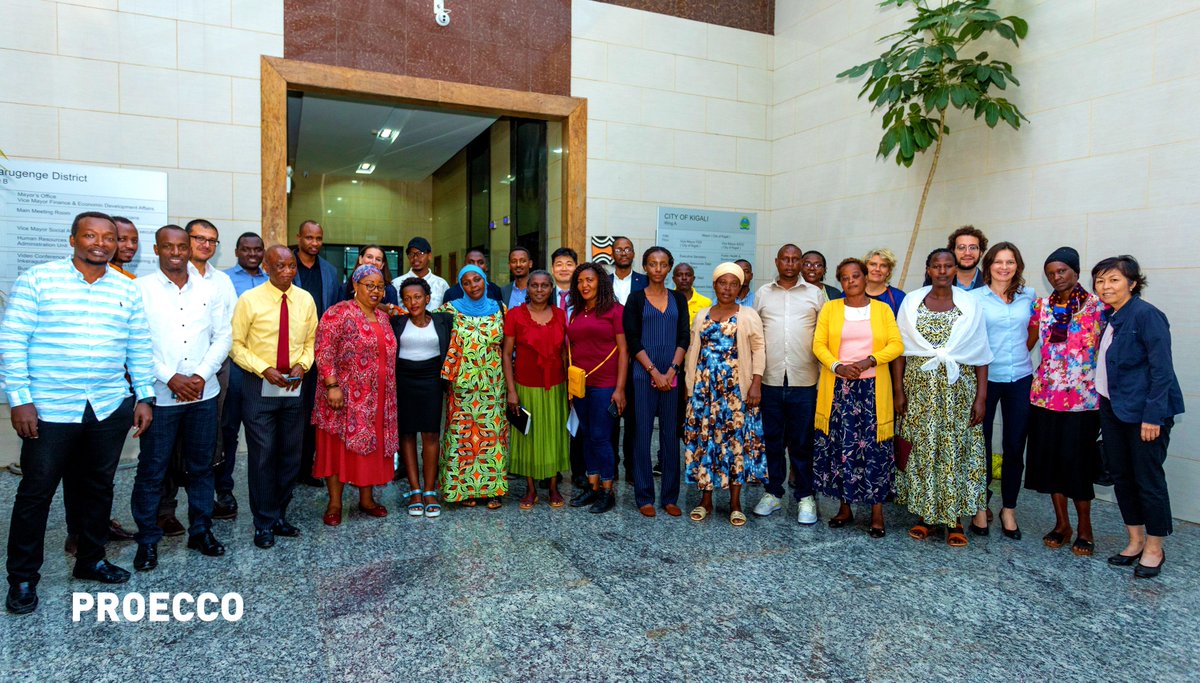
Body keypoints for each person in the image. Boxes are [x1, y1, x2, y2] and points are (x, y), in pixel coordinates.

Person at [2, 211, 155, 615]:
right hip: (49, 408)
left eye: (109, 237)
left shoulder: (126, 290)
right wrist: (19, 398)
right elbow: (12, 340)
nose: (100, 243)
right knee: (35, 494)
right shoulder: (38, 281)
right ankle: (21, 579)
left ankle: (90, 560)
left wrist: (144, 397)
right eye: (90, 235)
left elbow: (138, 346)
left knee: (98, 488)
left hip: (107, 406)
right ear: (73, 239)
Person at [129, 226, 231, 571]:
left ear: (190, 249)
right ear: (156, 249)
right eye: (168, 246)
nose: (176, 252)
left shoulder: (209, 288)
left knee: (202, 468)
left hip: (203, 395)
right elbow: (136, 343)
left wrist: (200, 375)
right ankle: (147, 541)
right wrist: (170, 377)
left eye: (182, 246)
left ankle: (201, 530)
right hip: (161, 396)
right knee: (153, 470)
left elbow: (223, 336)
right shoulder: (140, 289)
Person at [893, 249, 993, 547]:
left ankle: (955, 520)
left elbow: (981, 352)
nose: (942, 271)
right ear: (928, 268)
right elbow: (900, 349)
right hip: (919, 390)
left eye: (948, 266)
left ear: (955, 270)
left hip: (958, 391)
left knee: (955, 451)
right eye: (936, 265)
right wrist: (899, 391)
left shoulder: (969, 304)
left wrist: (981, 397)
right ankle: (925, 516)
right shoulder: (912, 302)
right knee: (923, 450)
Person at [1093, 256, 1184, 579]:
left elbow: (1162, 371)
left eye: (1114, 280)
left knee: (1148, 479)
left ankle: (1155, 547)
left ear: (1132, 283)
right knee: (1122, 476)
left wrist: (1153, 416)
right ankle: (1134, 541)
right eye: (1100, 281)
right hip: (1113, 408)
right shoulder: (1111, 317)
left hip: (1146, 413)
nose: (1106, 287)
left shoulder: (1147, 316)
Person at [230, 245, 318, 549]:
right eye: (279, 266)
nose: (287, 272)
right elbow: (236, 345)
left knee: (291, 455)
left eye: (291, 266)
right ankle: (263, 521)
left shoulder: (305, 300)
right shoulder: (249, 300)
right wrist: (263, 368)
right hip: (259, 385)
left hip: (294, 386)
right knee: (263, 454)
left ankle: (280, 513)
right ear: (266, 267)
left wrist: (302, 364)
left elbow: (311, 342)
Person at [156, 219, 239, 536]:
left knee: (206, 444)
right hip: (170, 379)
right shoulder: (164, 279)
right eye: (199, 238)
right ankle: (165, 510)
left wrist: (204, 372)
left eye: (212, 240)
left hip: (213, 373)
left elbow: (227, 330)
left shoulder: (221, 281)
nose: (205, 244)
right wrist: (178, 377)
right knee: (168, 446)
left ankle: (200, 508)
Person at [812, 259, 903, 538]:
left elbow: (896, 344)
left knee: (875, 451)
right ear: (840, 282)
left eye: (856, 275)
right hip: (839, 390)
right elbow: (819, 344)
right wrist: (838, 366)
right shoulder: (830, 308)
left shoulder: (882, 309)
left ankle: (876, 512)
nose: (851, 281)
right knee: (842, 447)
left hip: (874, 391)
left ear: (865, 278)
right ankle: (845, 508)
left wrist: (869, 361)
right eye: (845, 277)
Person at [1024, 247, 1104, 556]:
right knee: (1051, 464)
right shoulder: (1041, 307)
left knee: (1077, 465)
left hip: (1083, 402)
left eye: (1062, 272)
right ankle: (1062, 525)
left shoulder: (1098, 307)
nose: (1056, 278)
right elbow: (1024, 345)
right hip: (1044, 397)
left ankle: (1085, 527)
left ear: (1076, 271)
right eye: (1051, 274)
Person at [312, 265, 398, 526]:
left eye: (380, 286)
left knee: (371, 449)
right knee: (337, 449)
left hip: (378, 399)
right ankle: (335, 503)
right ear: (355, 286)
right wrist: (332, 385)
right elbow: (323, 349)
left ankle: (367, 499)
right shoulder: (338, 313)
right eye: (369, 285)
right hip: (345, 398)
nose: (375, 291)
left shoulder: (383, 317)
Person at [683, 263, 766, 527]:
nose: (727, 288)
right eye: (722, 282)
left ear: (740, 286)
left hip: (735, 390)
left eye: (733, 283)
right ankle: (705, 500)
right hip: (704, 390)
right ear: (715, 284)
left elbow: (759, 350)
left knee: (735, 443)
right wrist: (689, 388)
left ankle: (735, 503)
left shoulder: (748, 314)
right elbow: (692, 351)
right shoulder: (702, 314)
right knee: (706, 441)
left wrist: (756, 384)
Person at [751, 244, 823, 524]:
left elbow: (823, 335)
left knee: (802, 442)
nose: (791, 264)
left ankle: (806, 497)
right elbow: (755, 336)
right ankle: (773, 493)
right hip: (769, 379)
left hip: (804, 381)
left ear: (801, 263)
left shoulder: (815, 294)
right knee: (772, 441)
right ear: (777, 261)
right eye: (786, 259)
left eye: (796, 260)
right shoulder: (763, 293)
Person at [970, 242, 1037, 539]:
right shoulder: (974, 299)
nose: (1004, 267)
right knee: (981, 444)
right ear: (989, 265)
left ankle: (1008, 508)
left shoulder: (1030, 296)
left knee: (1014, 444)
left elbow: (1034, 329)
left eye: (1010, 262)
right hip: (985, 380)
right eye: (999, 261)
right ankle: (980, 507)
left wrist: (1021, 352)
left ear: (1017, 265)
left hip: (1021, 377)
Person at [624, 247, 689, 517]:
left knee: (670, 437)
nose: (658, 269)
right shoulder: (635, 299)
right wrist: (654, 372)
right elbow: (632, 339)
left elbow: (684, 337)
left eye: (663, 264)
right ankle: (644, 496)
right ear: (646, 267)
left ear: (669, 267)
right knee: (641, 435)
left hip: (672, 376)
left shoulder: (678, 299)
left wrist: (672, 371)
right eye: (653, 264)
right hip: (643, 374)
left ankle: (670, 497)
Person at [438, 265, 509, 508]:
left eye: (477, 280)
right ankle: (463, 490)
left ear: (485, 280)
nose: (473, 286)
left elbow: (511, 347)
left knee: (492, 437)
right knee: (462, 436)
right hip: (462, 386)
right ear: (461, 286)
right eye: (466, 282)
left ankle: (493, 490)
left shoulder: (500, 309)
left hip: (493, 386)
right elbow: (421, 320)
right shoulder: (449, 310)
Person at [503, 270, 570, 509]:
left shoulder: (561, 315)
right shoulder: (515, 315)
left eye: (544, 286)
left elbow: (565, 354)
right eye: (534, 285)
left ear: (552, 288)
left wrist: (570, 391)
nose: (539, 290)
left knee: (553, 435)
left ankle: (552, 487)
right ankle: (530, 490)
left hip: (556, 386)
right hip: (525, 385)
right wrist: (511, 390)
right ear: (527, 288)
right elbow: (506, 353)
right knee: (528, 437)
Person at [567, 262, 628, 514]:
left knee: (602, 438)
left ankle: (607, 490)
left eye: (590, 280)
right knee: (588, 437)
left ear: (600, 282)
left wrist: (620, 388)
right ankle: (592, 487)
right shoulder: (575, 312)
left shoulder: (615, 311)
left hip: (606, 386)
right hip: (581, 385)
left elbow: (624, 351)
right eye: (580, 281)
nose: (585, 285)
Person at [216, 231, 268, 519]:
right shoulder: (224, 280)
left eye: (257, 249)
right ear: (236, 251)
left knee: (261, 432)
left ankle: (265, 490)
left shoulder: (272, 279)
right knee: (228, 432)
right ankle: (224, 489)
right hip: (232, 368)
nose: (252, 254)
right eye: (246, 249)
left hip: (265, 371)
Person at [391, 277, 452, 518]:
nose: (412, 302)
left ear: (427, 298)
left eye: (417, 297)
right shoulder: (396, 321)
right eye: (407, 298)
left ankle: (429, 490)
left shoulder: (443, 320)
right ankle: (414, 490)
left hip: (431, 380)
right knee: (406, 433)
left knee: (430, 433)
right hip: (403, 380)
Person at [291, 219, 341, 488]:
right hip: (293, 351)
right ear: (299, 237)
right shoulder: (288, 267)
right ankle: (291, 467)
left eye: (318, 238)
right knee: (294, 411)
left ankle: (309, 468)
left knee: (316, 411)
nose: (314, 243)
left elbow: (333, 311)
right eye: (309, 237)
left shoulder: (330, 271)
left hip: (322, 351)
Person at [608, 236, 645, 480]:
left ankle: (632, 468)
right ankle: (610, 466)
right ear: (612, 253)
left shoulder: (644, 282)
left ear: (633, 253)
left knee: (634, 418)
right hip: (609, 359)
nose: (623, 252)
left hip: (637, 357)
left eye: (627, 249)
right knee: (610, 416)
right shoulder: (603, 281)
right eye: (619, 249)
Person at [393, 236, 450, 309]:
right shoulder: (396, 284)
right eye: (411, 254)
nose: (415, 258)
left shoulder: (441, 285)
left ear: (429, 255)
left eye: (420, 253)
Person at [341, 244, 399, 309]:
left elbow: (395, 316)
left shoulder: (389, 290)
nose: (373, 262)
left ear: (382, 265)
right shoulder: (346, 288)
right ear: (360, 259)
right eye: (369, 257)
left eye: (378, 259)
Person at [863, 248, 906, 316]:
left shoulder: (899, 297)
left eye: (883, 266)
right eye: (873, 264)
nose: (877, 269)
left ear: (888, 272)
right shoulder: (849, 294)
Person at [948, 225, 987, 290]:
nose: (967, 253)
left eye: (973, 248)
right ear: (952, 252)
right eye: (961, 248)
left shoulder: (991, 283)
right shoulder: (937, 282)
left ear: (981, 252)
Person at [672, 262, 711, 327]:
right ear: (673, 279)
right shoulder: (666, 300)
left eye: (688, 275)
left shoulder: (706, 302)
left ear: (693, 278)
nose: (684, 278)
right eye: (679, 275)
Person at [551, 247, 578, 315]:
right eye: (559, 265)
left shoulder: (583, 296)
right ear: (552, 269)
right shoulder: (546, 297)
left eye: (569, 264)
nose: (564, 269)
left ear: (576, 268)